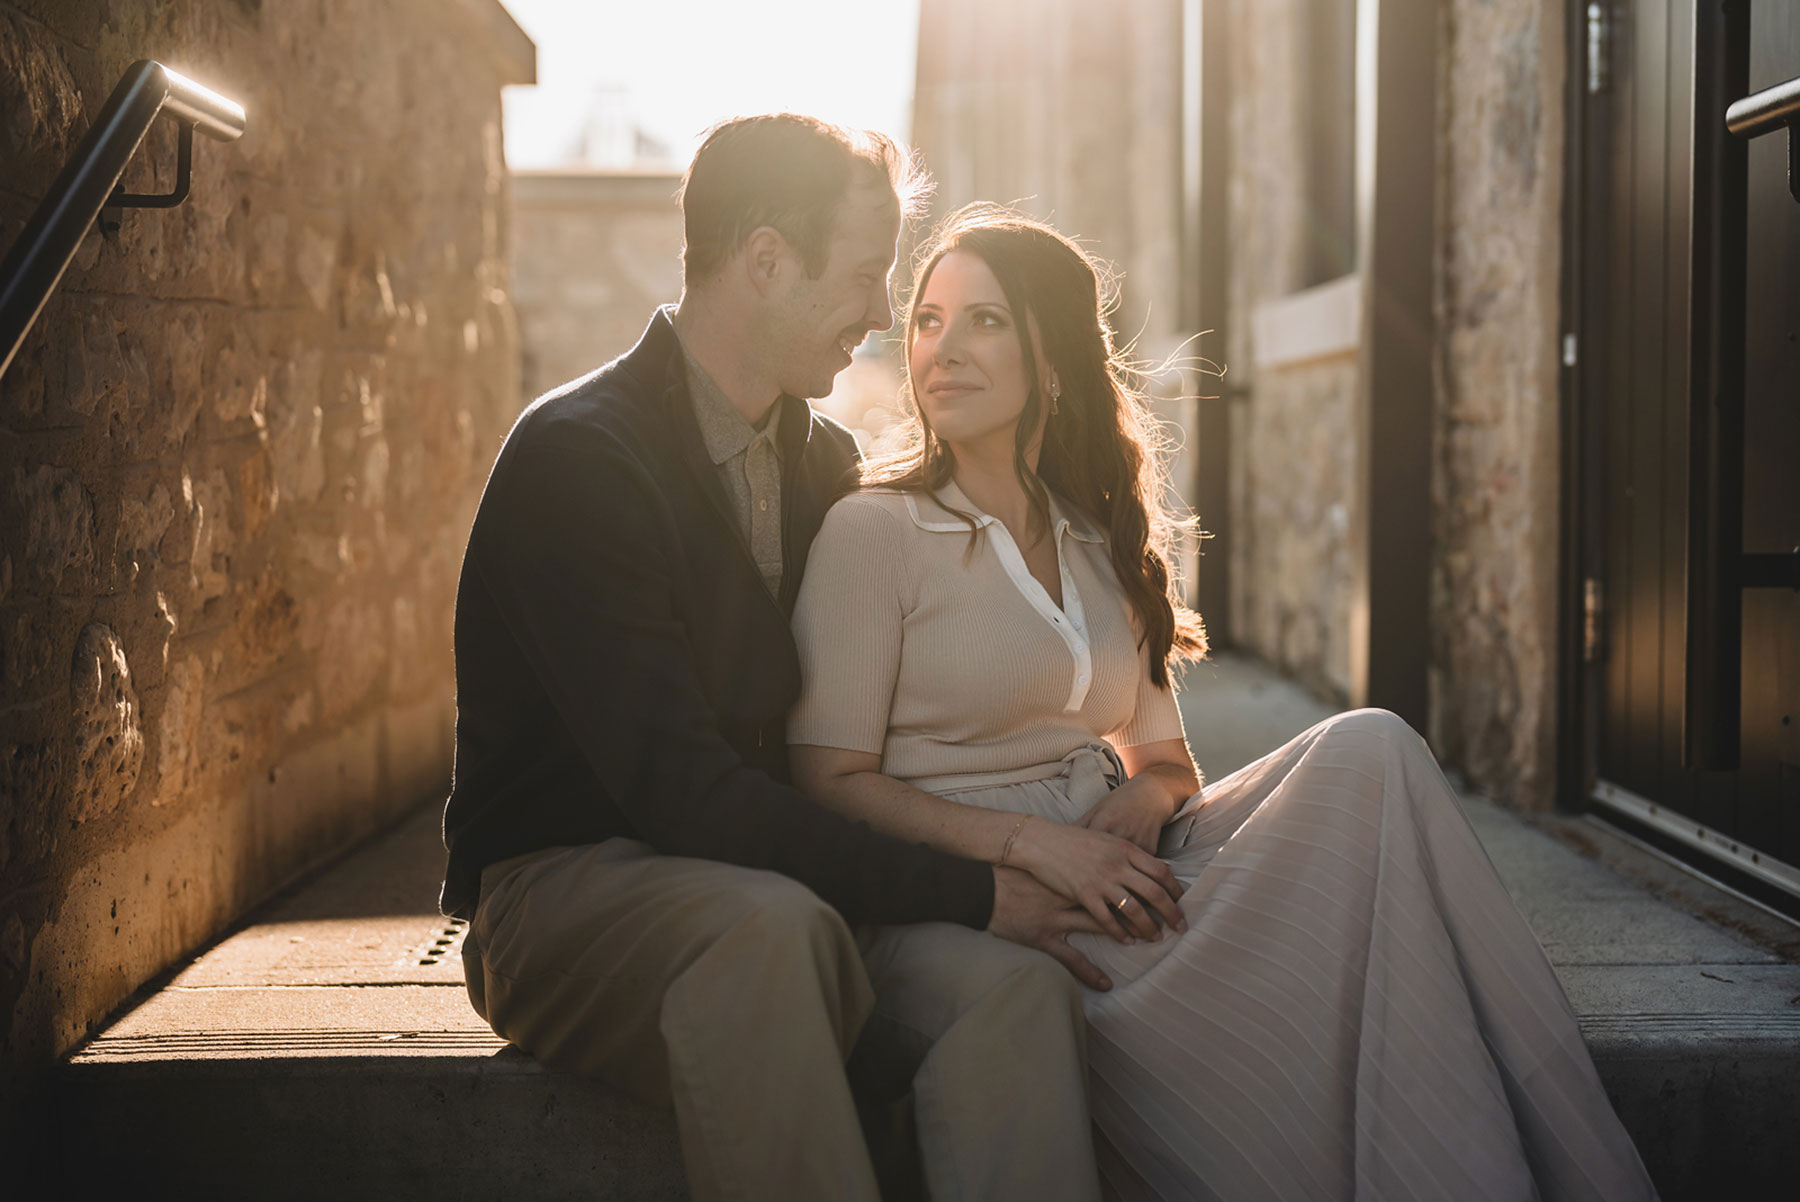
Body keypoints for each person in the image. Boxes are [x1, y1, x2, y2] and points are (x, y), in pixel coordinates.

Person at [788, 202, 1660, 1201]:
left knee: (1370, 751)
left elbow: (1166, 757)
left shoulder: (1098, 538)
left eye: (985, 320)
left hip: (1125, 869)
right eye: (931, 319)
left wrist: (1140, 801)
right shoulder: (874, 530)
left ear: (1056, 355)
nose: (944, 347)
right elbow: (828, 778)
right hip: (981, 897)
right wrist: (1030, 846)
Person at [442, 120, 1127, 1201]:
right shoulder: (579, 459)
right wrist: (968, 885)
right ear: (765, 261)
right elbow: (682, 796)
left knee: (1014, 992)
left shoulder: (824, 463)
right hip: (567, 892)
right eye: (864, 275)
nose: (878, 314)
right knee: (772, 936)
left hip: (788, 879)